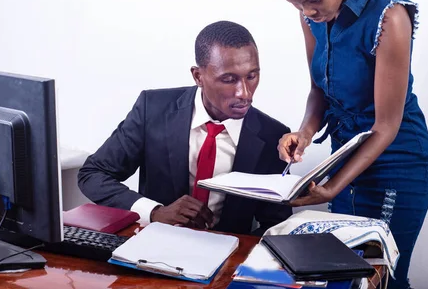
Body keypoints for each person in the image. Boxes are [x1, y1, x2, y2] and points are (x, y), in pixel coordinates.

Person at [264, 0, 428, 289]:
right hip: (345, 163)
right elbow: (319, 90)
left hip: (398, 165)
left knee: (382, 282)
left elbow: (386, 127)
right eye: (296, 5)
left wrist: (332, 187)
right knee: (341, 279)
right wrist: (305, 132)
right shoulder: (311, 14)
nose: (308, 12)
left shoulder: (390, 17)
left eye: (313, 0)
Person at [78, 21, 292, 235]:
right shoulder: (152, 109)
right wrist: (154, 211)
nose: (244, 93)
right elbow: (93, 174)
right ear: (198, 76)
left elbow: (275, 225)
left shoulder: (272, 136)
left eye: (252, 76)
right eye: (229, 79)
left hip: (229, 256)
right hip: (153, 246)